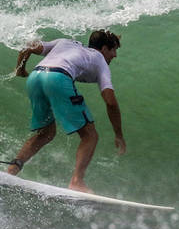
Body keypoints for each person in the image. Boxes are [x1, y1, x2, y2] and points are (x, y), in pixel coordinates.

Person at [8, 29, 126, 192]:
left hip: (35, 77)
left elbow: (29, 45)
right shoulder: (99, 60)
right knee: (90, 135)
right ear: (104, 49)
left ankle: (11, 171)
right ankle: (77, 181)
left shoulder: (65, 42)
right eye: (113, 50)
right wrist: (118, 134)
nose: (115, 55)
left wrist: (20, 68)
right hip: (58, 78)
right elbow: (111, 102)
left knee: (46, 133)